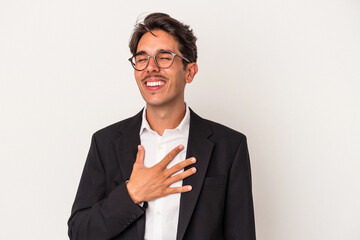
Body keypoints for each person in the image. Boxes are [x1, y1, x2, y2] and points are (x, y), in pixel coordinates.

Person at [68, 12, 256, 240]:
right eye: (142, 58)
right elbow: (80, 232)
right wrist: (132, 194)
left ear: (190, 71)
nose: (150, 68)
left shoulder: (230, 146)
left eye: (164, 57)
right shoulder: (105, 143)